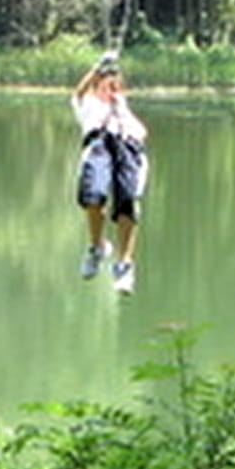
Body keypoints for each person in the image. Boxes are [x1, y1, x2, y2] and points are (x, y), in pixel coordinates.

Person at [72, 51, 149, 293]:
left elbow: (140, 134)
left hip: (127, 148)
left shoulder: (125, 112)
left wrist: (120, 109)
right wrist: (98, 68)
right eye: (105, 83)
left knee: (126, 202)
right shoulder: (87, 105)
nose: (110, 87)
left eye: (115, 83)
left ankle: (124, 265)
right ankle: (97, 247)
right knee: (93, 195)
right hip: (99, 147)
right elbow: (79, 92)